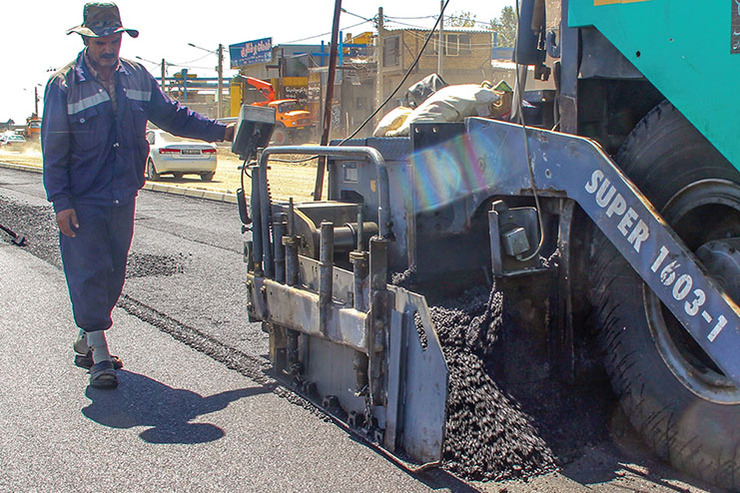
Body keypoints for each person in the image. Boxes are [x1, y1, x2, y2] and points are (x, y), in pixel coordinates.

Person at [42, 2, 235, 389]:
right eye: (101, 42)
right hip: (83, 198)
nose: (109, 48)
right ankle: (99, 354)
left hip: (122, 193)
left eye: (114, 39)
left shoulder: (136, 76)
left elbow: (174, 116)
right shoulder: (63, 84)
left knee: (114, 270)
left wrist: (223, 132)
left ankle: (87, 336)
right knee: (88, 270)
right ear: (86, 40)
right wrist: (60, 201)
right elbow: (54, 147)